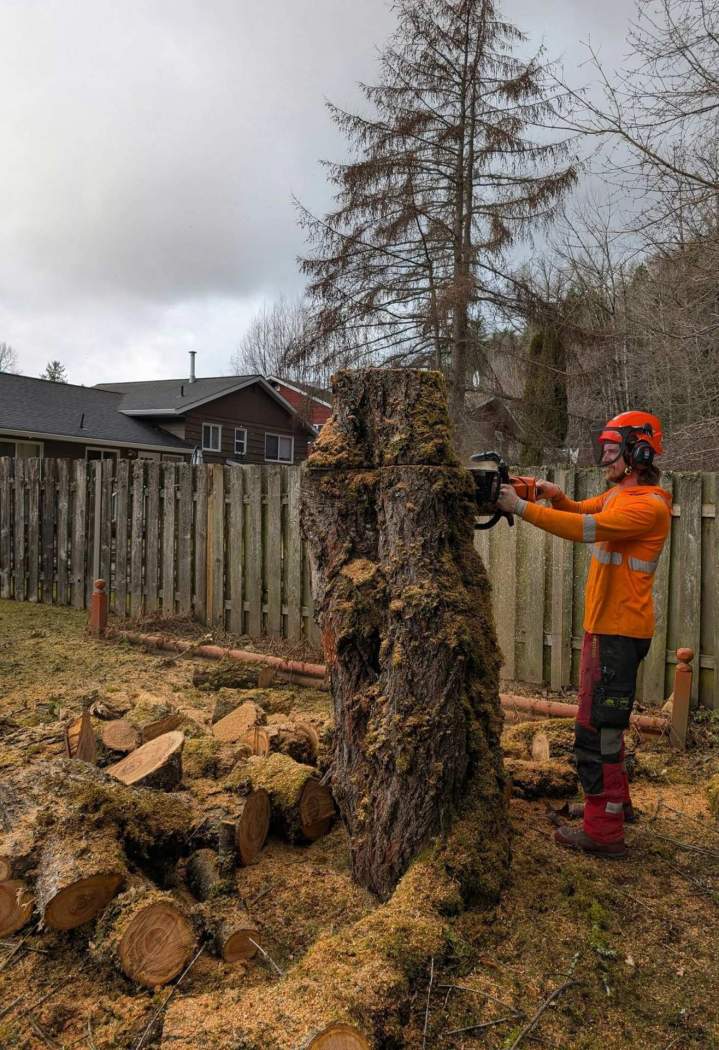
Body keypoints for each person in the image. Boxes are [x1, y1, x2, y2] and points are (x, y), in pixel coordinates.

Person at [496, 411, 671, 858]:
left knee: (596, 733)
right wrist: (553, 495)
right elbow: (579, 511)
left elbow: (583, 530)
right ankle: (616, 806)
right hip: (606, 630)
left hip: (619, 634)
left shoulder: (646, 506)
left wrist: (519, 507)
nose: (604, 458)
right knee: (605, 726)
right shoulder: (619, 496)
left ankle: (604, 831)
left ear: (638, 453)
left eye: (612, 450)